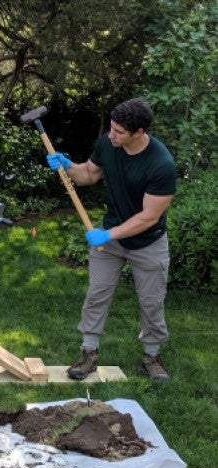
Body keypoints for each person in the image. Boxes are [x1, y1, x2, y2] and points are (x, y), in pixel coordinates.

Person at [46, 98, 176, 381]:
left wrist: (107, 234)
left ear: (138, 132)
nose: (111, 134)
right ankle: (88, 352)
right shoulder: (108, 144)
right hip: (111, 239)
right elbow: (89, 174)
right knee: (97, 293)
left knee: (151, 300)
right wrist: (68, 165)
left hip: (148, 241)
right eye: (111, 128)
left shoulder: (161, 164)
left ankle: (152, 355)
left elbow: (149, 217)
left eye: (118, 131)